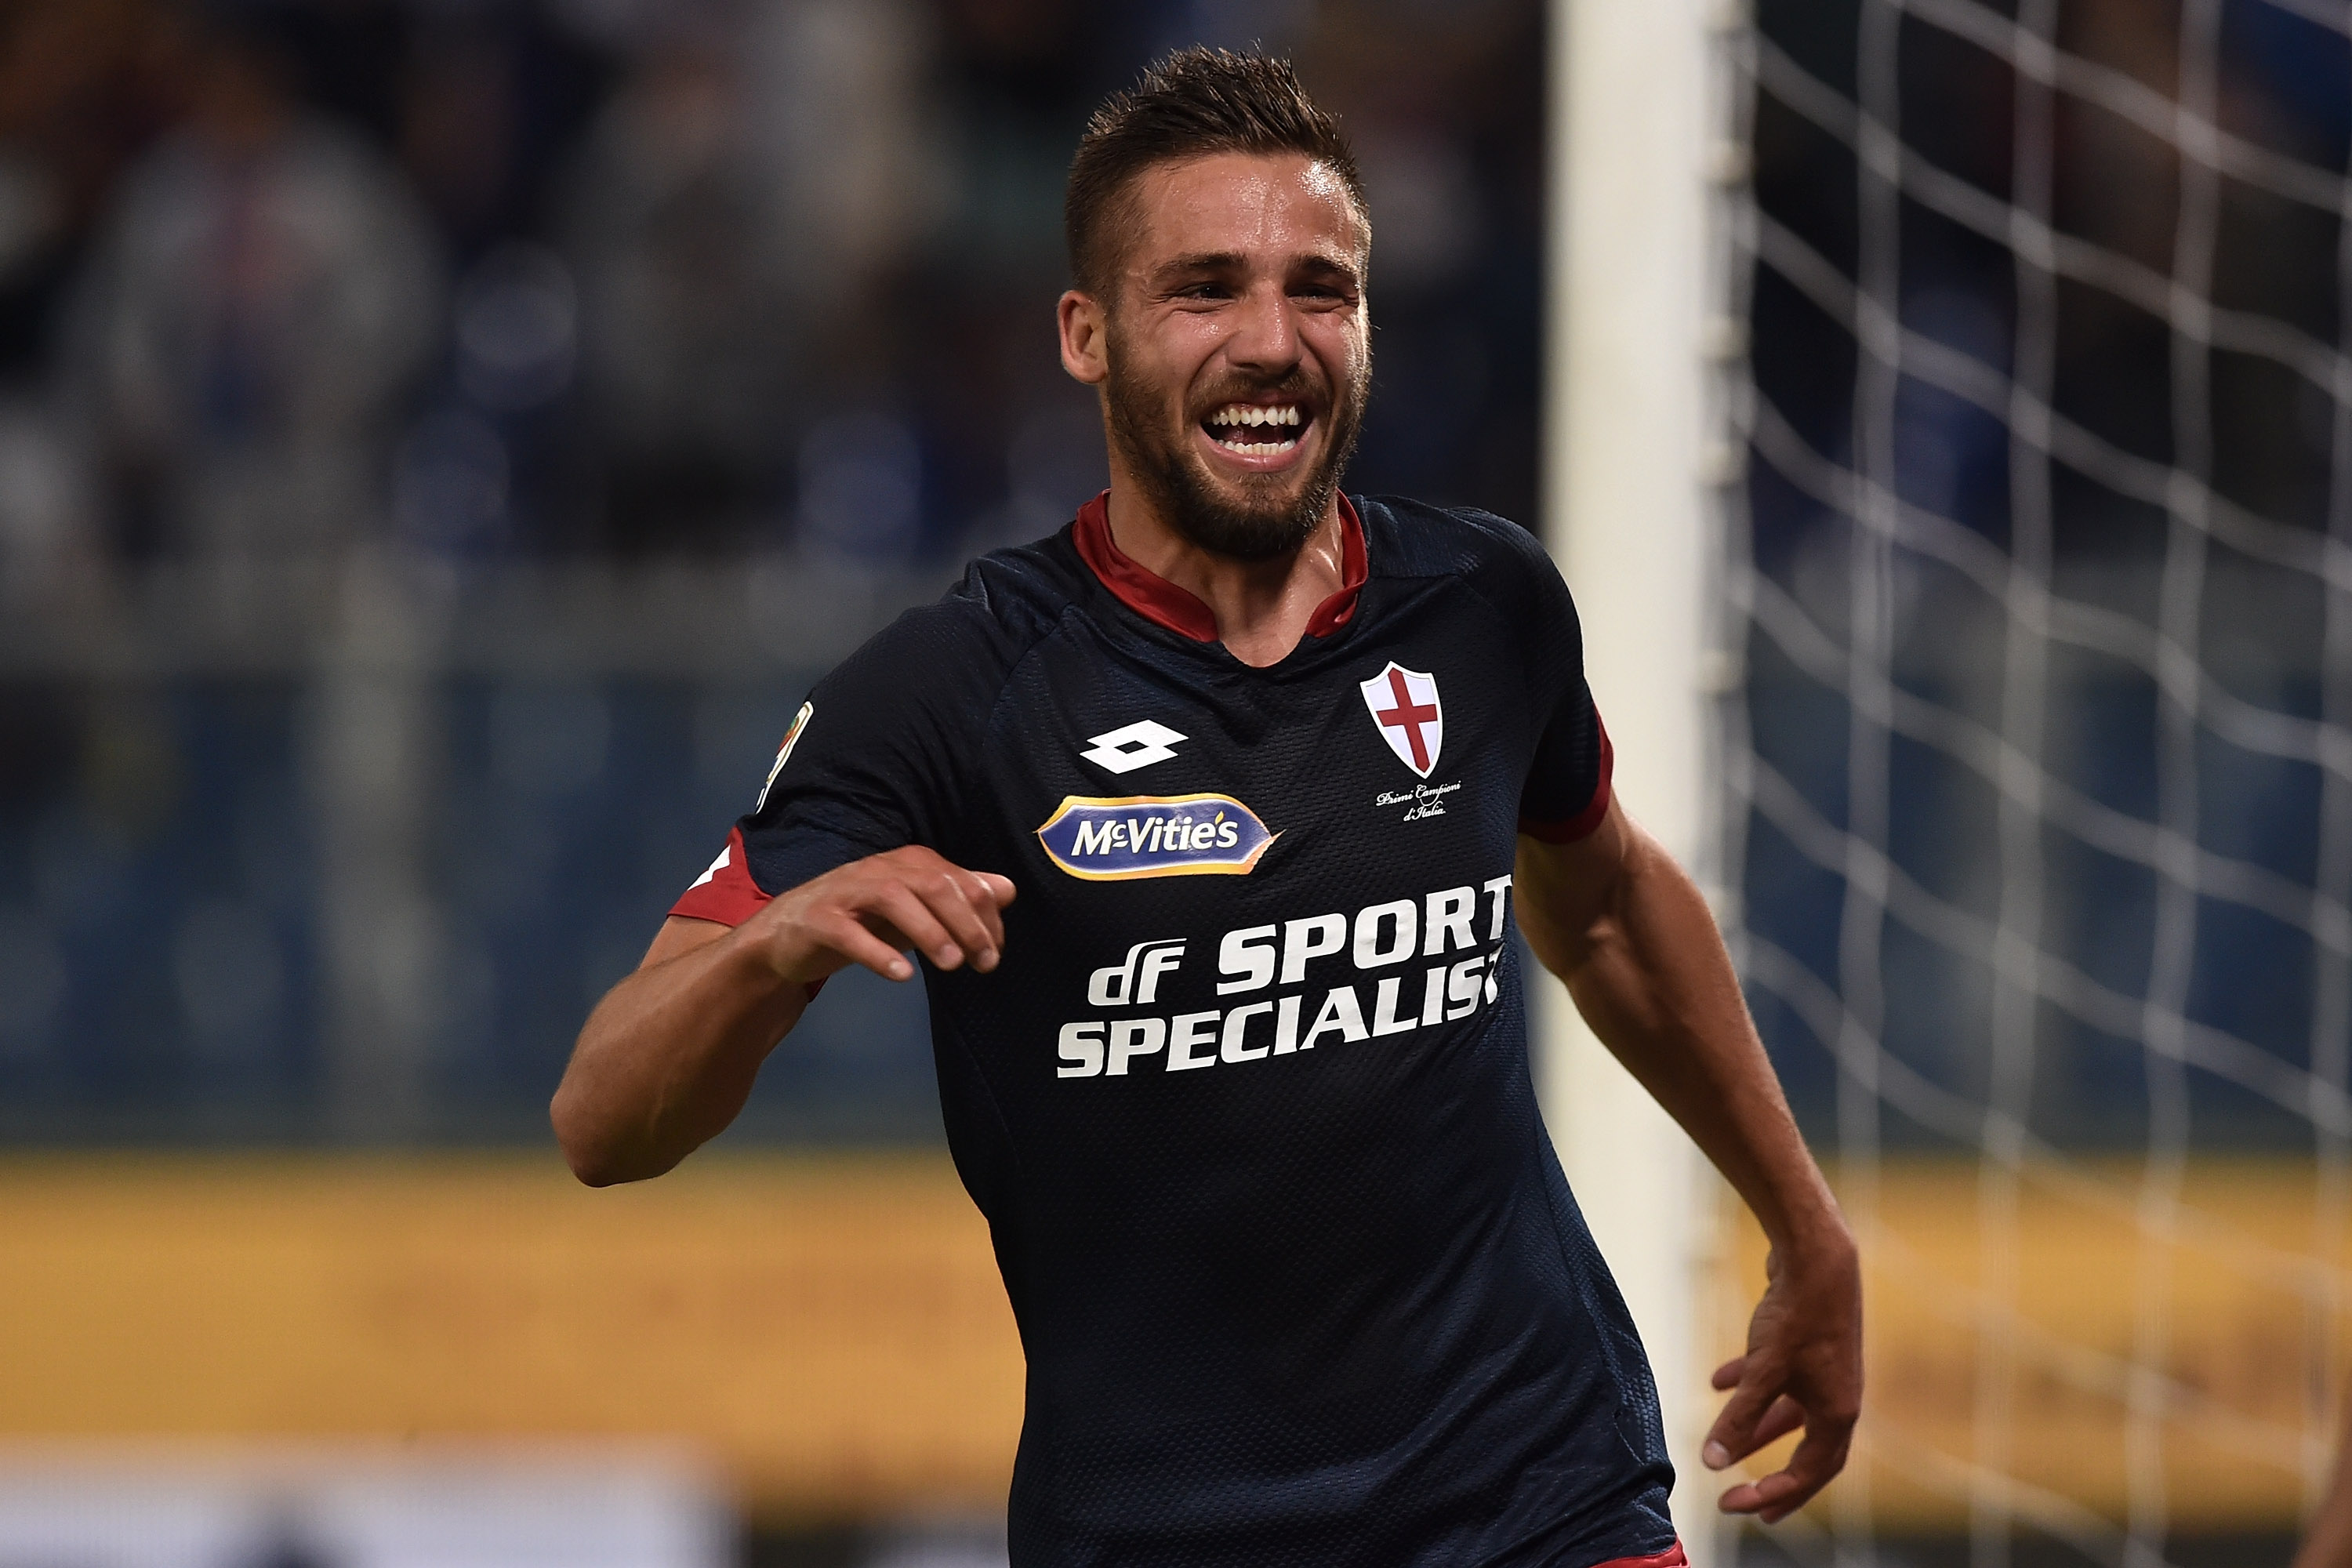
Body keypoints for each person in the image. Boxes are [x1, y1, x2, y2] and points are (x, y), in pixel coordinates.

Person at [553, 47, 1860, 1568]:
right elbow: (602, 1121)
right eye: (1206, 290)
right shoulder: (952, 690)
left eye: (1321, 290)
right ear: (1087, 336)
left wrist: (1802, 1218)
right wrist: (771, 948)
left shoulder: (1483, 602)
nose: (1273, 342)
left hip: (1538, 1502)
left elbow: (1611, 908)